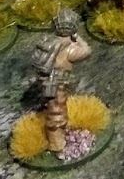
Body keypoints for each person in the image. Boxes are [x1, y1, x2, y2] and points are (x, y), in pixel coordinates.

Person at [30, 9, 93, 152]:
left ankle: (60, 135)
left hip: (47, 81)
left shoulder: (50, 42)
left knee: (54, 108)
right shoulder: (69, 48)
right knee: (57, 111)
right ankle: (57, 143)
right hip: (58, 84)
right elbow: (87, 51)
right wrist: (77, 38)